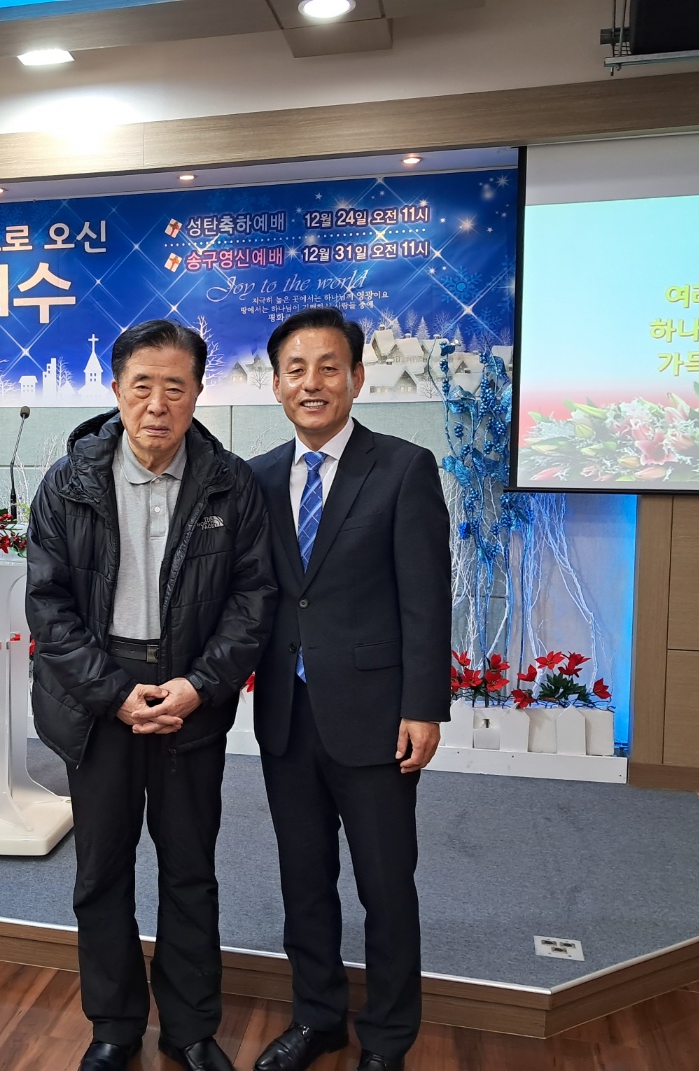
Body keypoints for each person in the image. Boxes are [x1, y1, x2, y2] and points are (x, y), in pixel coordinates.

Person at [26, 319, 276, 1071]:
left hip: (188, 699)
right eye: (142, 385)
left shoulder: (232, 484)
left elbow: (253, 600)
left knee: (190, 869)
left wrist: (198, 687)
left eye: (176, 386)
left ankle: (191, 1028)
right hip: (99, 702)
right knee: (101, 871)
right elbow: (48, 608)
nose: (158, 404)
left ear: (198, 392)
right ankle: (113, 1025)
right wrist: (114, 694)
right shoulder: (67, 483)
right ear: (116, 389)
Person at [246, 307, 451, 1071]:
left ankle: (389, 1037)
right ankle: (318, 1016)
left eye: (328, 367)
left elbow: (427, 599)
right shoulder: (259, 476)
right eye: (295, 369)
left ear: (358, 377)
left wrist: (423, 705)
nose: (312, 382)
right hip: (286, 714)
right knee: (304, 879)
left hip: (376, 717)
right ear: (276, 385)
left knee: (385, 885)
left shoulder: (402, 468)